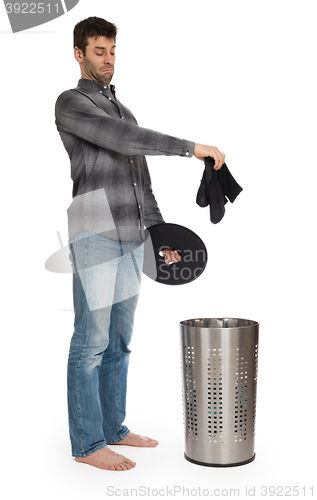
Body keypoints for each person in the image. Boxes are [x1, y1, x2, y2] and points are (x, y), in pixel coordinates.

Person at [55, 16, 225, 472]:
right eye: (98, 51)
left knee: (120, 343)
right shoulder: (71, 102)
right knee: (90, 342)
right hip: (93, 233)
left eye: (112, 51)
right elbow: (124, 140)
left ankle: (113, 428)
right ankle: (87, 444)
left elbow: (138, 179)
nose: (108, 59)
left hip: (132, 238)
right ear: (79, 54)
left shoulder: (122, 106)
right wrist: (191, 147)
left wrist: (160, 235)